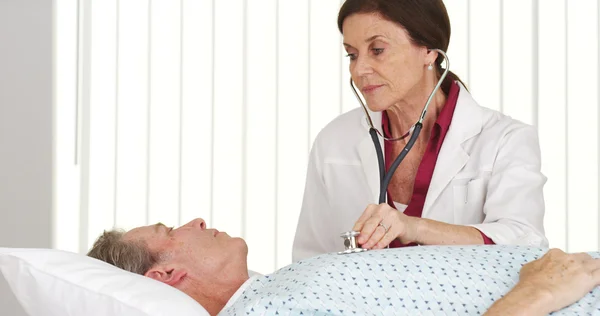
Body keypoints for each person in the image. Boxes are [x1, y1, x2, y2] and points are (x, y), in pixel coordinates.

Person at [292, 0, 548, 262]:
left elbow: (524, 243)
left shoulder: (505, 140)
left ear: (429, 51)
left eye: (377, 50)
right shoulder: (333, 142)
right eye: (352, 54)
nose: (359, 70)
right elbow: (309, 260)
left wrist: (414, 227)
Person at [88, 218, 600, 316]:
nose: (196, 219)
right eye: (171, 230)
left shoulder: (272, 289)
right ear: (165, 276)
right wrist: (533, 297)